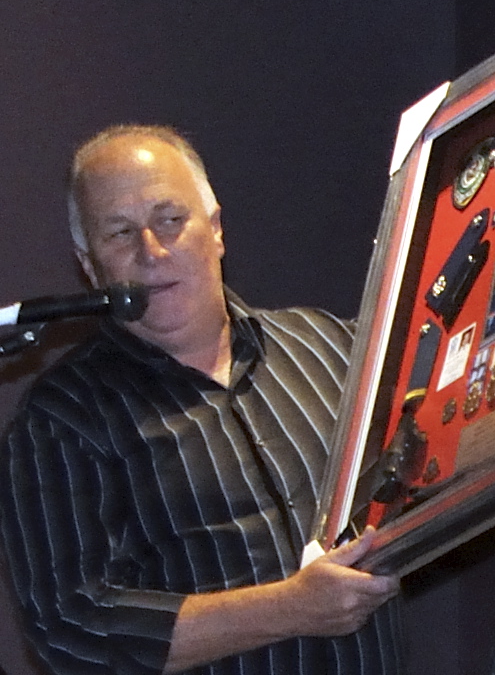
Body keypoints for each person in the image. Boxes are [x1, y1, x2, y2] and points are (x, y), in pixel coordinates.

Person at [0, 125, 401, 674]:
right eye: (120, 233)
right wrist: (290, 609)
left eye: (171, 219)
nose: (152, 250)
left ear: (215, 229)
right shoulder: (58, 422)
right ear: (90, 267)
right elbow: (69, 631)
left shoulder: (332, 346)